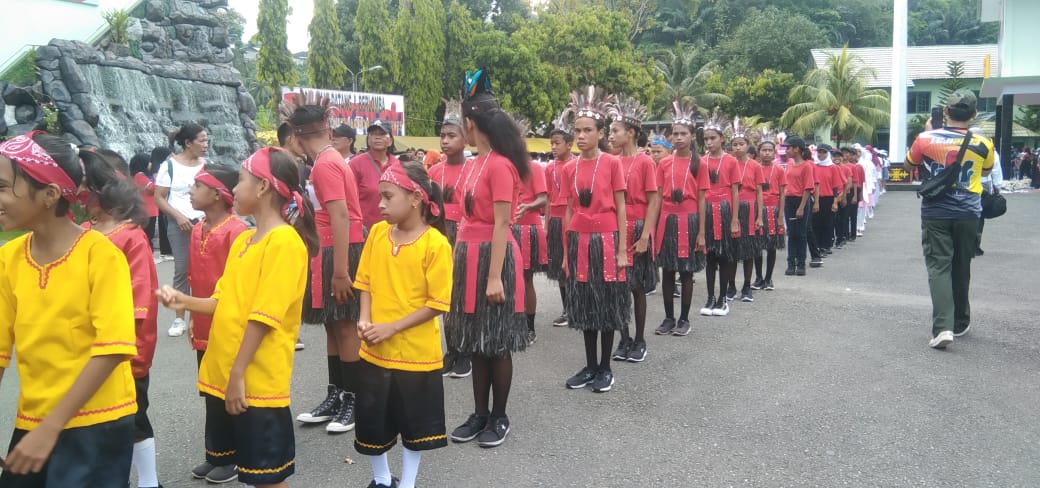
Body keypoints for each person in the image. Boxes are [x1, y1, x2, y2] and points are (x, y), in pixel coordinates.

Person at [157, 147, 317, 487]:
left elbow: (264, 317)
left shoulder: (284, 242)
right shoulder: (246, 239)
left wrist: (238, 374)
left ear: (263, 187)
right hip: (232, 371)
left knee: (267, 478)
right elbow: (222, 301)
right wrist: (183, 301)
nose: (234, 189)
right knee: (254, 474)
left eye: (241, 180)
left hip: (255, 379)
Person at [0, 131, 140, 486]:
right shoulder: (8, 258)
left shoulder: (100, 255)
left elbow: (113, 348)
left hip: (97, 422)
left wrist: (50, 429)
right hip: (35, 421)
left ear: (49, 194)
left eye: (2, 187)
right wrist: (44, 428)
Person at [353, 161, 452, 488]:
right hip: (374, 350)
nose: (380, 204)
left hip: (415, 354)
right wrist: (364, 319)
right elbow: (365, 281)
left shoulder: (435, 244)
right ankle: (381, 479)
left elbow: (437, 303)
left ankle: (407, 483)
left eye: (388, 196)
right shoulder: (377, 234)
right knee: (372, 422)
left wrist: (391, 327)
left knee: (415, 426)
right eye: (379, 196)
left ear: (416, 198)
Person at [446, 69, 528, 448]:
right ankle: (479, 413)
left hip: (494, 258)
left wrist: (494, 276)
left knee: (497, 340)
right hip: (468, 255)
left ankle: (499, 416)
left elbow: (501, 224)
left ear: (469, 123)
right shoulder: (473, 164)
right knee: (476, 340)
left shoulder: (500, 165)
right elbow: (464, 217)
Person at [287, 99, 367, 436]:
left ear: (296, 135)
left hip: (339, 250)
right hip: (328, 249)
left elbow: (341, 215)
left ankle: (354, 399)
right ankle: (337, 394)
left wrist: (340, 271)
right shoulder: (327, 159)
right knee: (333, 326)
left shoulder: (325, 165)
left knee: (345, 326)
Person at [82, 151, 162, 488]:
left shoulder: (130, 236)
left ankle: (149, 482)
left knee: (132, 416)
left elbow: (140, 294)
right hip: (90, 343)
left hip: (124, 345)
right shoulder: (83, 232)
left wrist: (126, 341)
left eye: (83, 187)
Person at [905, 89, 995, 348]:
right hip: (969, 212)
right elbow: (986, 170)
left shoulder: (925, 139)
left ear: (945, 111)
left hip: (936, 212)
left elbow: (909, 165)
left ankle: (943, 326)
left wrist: (929, 133)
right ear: (974, 114)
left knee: (939, 266)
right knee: (961, 265)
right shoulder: (984, 142)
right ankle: (961, 321)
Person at [560, 86, 630, 393]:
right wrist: (566, 253)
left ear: (600, 133)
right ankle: (590, 366)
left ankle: (605, 368)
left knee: (606, 303)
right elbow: (568, 210)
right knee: (586, 303)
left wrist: (623, 250)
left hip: (607, 240)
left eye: (588, 130)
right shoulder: (569, 168)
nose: (581, 136)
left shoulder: (612, 163)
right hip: (579, 241)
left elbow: (622, 207)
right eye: (577, 130)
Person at [184, 165, 248, 483]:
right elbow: (195, 277)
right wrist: (191, 318)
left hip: (227, 323)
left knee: (228, 390)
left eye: (197, 186)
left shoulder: (237, 232)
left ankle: (237, 455)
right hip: (203, 320)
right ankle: (217, 454)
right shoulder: (198, 228)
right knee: (210, 390)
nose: (190, 191)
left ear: (218, 195)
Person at [607, 95, 660, 361]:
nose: (611, 135)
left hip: (637, 227)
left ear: (630, 133)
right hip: (616, 228)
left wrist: (646, 236)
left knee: (636, 286)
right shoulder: (612, 161)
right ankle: (624, 337)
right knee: (618, 286)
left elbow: (653, 201)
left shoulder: (645, 162)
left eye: (615, 130)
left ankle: (639, 339)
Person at [428, 99, 473, 378]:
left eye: (452, 136)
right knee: (444, 293)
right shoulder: (434, 171)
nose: (445, 141)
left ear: (465, 139)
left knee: (464, 294)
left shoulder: (473, 168)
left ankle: (466, 350)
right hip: (440, 233)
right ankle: (452, 349)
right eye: (442, 136)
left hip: (465, 235)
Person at [653, 101, 706, 335]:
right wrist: (653, 228)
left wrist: (702, 233)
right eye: (675, 134)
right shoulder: (664, 163)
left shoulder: (699, 163)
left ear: (692, 136)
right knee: (667, 270)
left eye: (683, 133)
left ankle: (684, 319)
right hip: (667, 220)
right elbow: (657, 197)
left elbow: (702, 199)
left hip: (689, 220)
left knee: (686, 271)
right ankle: (668, 318)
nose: (679, 138)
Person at [155, 123, 208, 337]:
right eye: (202, 140)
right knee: (182, 270)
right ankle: (179, 318)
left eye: (207, 140)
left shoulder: (205, 165)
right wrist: (178, 217)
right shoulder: (169, 166)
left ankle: (205, 314)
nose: (206, 145)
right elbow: (159, 197)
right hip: (179, 226)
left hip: (205, 223)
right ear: (188, 143)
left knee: (206, 269)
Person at [699, 111, 742, 316]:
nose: (709, 142)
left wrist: (734, 219)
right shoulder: (701, 161)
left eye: (712, 138)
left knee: (724, 255)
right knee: (709, 256)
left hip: (724, 210)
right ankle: (710, 297)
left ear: (721, 139)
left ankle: (723, 298)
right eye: (706, 139)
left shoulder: (731, 161)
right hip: (706, 210)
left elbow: (735, 191)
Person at [727, 120, 765, 302]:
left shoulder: (755, 166)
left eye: (741, 144)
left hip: (749, 208)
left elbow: (759, 191)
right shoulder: (728, 163)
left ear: (747, 145)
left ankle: (747, 286)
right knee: (732, 250)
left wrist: (760, 216)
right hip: (731, 209)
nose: (738, 147)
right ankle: (731, 286)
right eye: (734, 144)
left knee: (749, 249)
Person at [544, 112, 575, 328]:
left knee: (573, 264)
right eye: (552, 143)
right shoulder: (549, 168)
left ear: (569, 144)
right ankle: (567, 308)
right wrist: (546, 225)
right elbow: (547, 198)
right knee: (559, 267)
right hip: (555, 220)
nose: (554, 147)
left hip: (571, 218)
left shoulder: (576, 165)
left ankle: (577, 306)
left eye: (557, 143)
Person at [350, 120, 400, 229]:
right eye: (373, 134)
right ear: (368, 140)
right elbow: (349, 199)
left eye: (382, 134)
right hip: (365, 229)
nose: (377, 137)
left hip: (394, 228)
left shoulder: (398, 165)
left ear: (390, 141)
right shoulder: (356, 164)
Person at [750, 137, 785, 291]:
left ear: (774, 153)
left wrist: (780, 216)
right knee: (757, 245)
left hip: (773, 210)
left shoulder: (779, 170)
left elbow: (782, 194)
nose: (767, 153)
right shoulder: (754, 168)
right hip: (757, 210)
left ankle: (768, 278)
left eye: (770, 150)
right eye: (764, 150)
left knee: (771, 246)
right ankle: (758, 277)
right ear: (759, 152)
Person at [781, 137, 815, 276]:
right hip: (789, 200)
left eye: (789, 148)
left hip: (801, 200)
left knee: (801, 234)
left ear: (797, 149)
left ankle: (801, 264)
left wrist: (801, 207)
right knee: (791, 233)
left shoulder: (807, 166)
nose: (786, 150)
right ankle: (791, 263)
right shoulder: (789, 164)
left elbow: (808, 188)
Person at [810, 144, 843, 261]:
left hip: (828, 198)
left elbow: (836, 186)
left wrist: (835, 202)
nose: (821, 155)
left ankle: (826, 245)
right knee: (815, 223)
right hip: (815, 198)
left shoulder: (833, 167)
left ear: (828, 154)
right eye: (819, 152)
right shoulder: (814, 166)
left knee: (828, 223)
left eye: (824, 152)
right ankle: (817, 245)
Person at [129, 153, 159, 259]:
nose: (151, 164)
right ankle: (147, 256)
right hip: (147, 211)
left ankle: (148, 255)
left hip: (149, 210)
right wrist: (157, 178)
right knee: (148, 234)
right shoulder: (139, 175)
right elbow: (152, 188)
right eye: (149, 162)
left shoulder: (140, 175)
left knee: (148, 234)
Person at [977, 146, 1002, 256]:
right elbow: (995, 168)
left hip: (964, 181)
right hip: (983, 183)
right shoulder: (989, 148)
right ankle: (975, 245)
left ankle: (960, 243)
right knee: (979, 215)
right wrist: (997, 187)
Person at [150, 147, 174, 259]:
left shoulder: (156, 168)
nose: (171, 157)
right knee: (165, 224)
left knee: (164, 224)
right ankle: (167, 250)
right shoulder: (159, 169)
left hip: (162, 200)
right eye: (169, 155)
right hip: (163, 200)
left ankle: (166, 249)